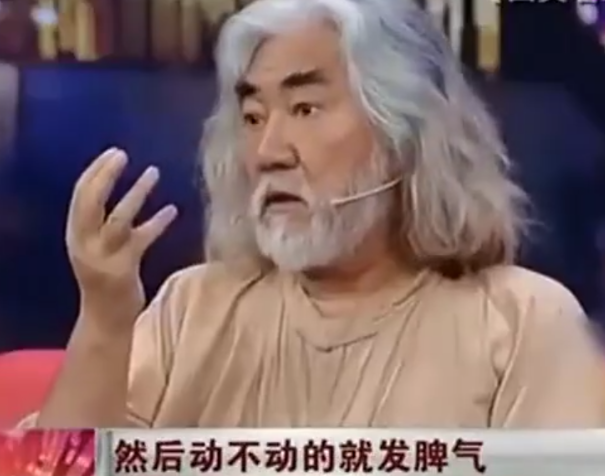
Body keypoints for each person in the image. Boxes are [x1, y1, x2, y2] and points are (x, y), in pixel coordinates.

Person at [33, 0, 604, 428]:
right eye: (253, 117)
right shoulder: (192, 310)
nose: (268, 152)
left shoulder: (521, 321)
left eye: (305, 108)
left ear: (405, 135)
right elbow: (57, 470)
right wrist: (105, 322)